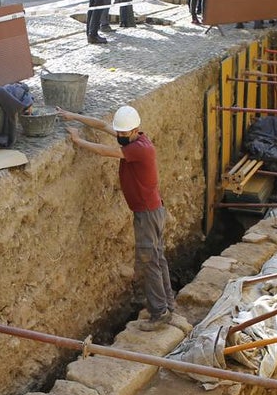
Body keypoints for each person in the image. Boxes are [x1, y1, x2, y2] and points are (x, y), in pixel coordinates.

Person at [57, 105, 191, 334]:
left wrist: (78, 141)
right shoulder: (132, 137)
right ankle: (168, 304)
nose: (119, 136)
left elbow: (104, 151)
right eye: (118, 133)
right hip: (153, 210)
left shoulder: (140, 149)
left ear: (135, 130)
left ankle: (159, 313)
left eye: (122, 134)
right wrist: (72, 116)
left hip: (147, 214)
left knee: (149, 262)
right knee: (157, 259)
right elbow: (102, 125)